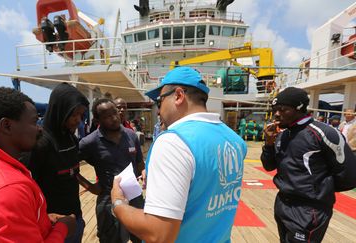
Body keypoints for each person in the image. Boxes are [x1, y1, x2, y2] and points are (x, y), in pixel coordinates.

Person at [111, 66, 247, 242]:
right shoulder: (235, 140)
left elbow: (159, 234)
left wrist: (118, 203)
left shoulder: (173, 142)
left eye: (159, 102)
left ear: (178, 95)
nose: (158, 111)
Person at [0, 87, 76, 242]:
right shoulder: (8, 189)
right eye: (33, 121)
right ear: (7, 126)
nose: (39, 128)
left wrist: (40, 220)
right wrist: (63, 228)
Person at [261, 87, 356, 243]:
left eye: (283, 109)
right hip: (282, 204)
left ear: (299, 108)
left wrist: (319, 191)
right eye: (275, 110)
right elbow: (269, 166)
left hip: (309, 211)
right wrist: (269, 144)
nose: (277, 114)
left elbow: (349, 175)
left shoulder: (324, 133)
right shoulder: (282, 135)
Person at [28, 83, 100, 243]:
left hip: (75, 217)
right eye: (74, 114)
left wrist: (90, 186)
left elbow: (73, 172)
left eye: (81, 115)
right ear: (60, 110)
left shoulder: (71, 138)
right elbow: (27, 186)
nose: (79, 120)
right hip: (52, 225)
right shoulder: (40, 143)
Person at [79, 98, 145, 243]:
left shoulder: (131, 135)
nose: (115, 118)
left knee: (140, 237)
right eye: (108, 116)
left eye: (115, 113)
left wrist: (144, 173)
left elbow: (140, 163)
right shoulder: (89, 142)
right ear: (97, 120)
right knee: (110, 239)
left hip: (134, 198)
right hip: (108, 202)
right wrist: (89, 186)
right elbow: (71, 165)